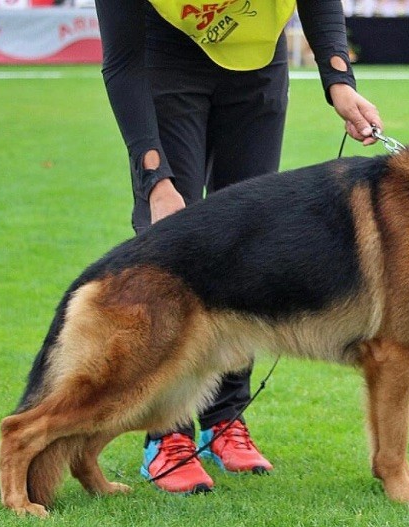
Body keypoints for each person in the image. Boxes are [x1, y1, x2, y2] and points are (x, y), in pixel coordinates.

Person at [93, 0, 383, 495]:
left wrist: (339, 79)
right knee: (173, 252)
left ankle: (226, 417)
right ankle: (167, 435)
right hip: (166, 59)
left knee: (252, 251)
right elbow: (122, 61)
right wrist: (154, 178)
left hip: (256, 69)